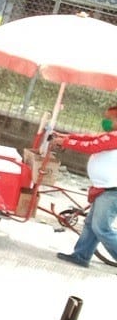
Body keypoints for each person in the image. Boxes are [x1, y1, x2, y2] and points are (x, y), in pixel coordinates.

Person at [53, 101, 117, 268]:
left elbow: (90, 146)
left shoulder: (115, 137)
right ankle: (81, 256)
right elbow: (89, 138)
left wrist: (65, 142)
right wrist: (65, 137)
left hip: (112, 191)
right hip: (105, 188)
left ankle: (82, 256)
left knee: (101, 228)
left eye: (109, 118)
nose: (105, 121)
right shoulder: (111, 136)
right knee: (91, 225)